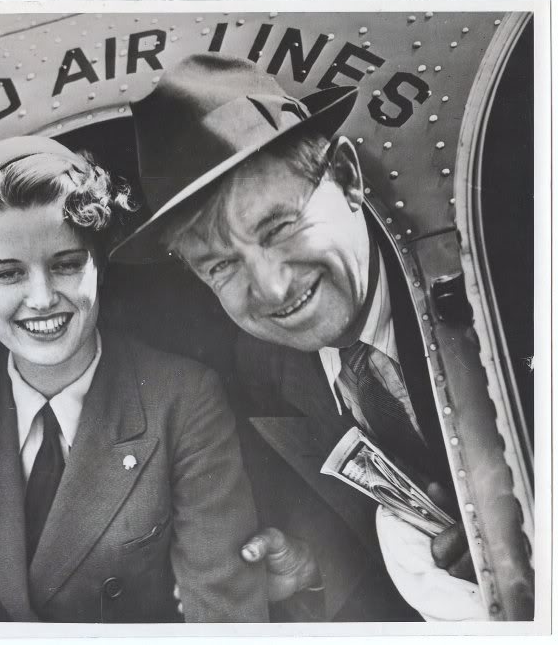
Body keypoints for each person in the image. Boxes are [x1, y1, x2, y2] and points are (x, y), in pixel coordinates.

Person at [111, 53, 485, 621]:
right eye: (221, 267)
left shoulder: (506, 294)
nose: (272, 286)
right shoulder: (257, 381)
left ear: (347, 179)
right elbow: (354, 576)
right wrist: (313, 574)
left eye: (280, 226)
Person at [0, 135, 269, 622]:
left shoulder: (182, 399)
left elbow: (226, 614)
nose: (41, 298)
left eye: (66, 265)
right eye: (8, 274)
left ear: (99, 264)